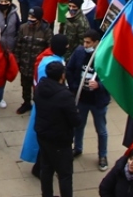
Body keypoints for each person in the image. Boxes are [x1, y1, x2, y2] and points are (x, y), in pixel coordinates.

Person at [65, 30, 111, 171]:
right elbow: (70, 69)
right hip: (82, 98)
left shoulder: (105, 56)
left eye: (88, 42)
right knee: (79, 125)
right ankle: (77, 148)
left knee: (101, 130)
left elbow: (111, 79)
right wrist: (74, 86)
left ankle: (102, 156)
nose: (85, 45)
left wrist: (99, 85)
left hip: (98, 101)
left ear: (96, 42)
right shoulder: (79, 52)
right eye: (84, 42)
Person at [33, 61, 78, 197]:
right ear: (62, 75)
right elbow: (75, 120)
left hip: (43, 134)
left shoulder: (40, 87)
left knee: (46, 168)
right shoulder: (64, 96)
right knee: (65, 174)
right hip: (60, 139)